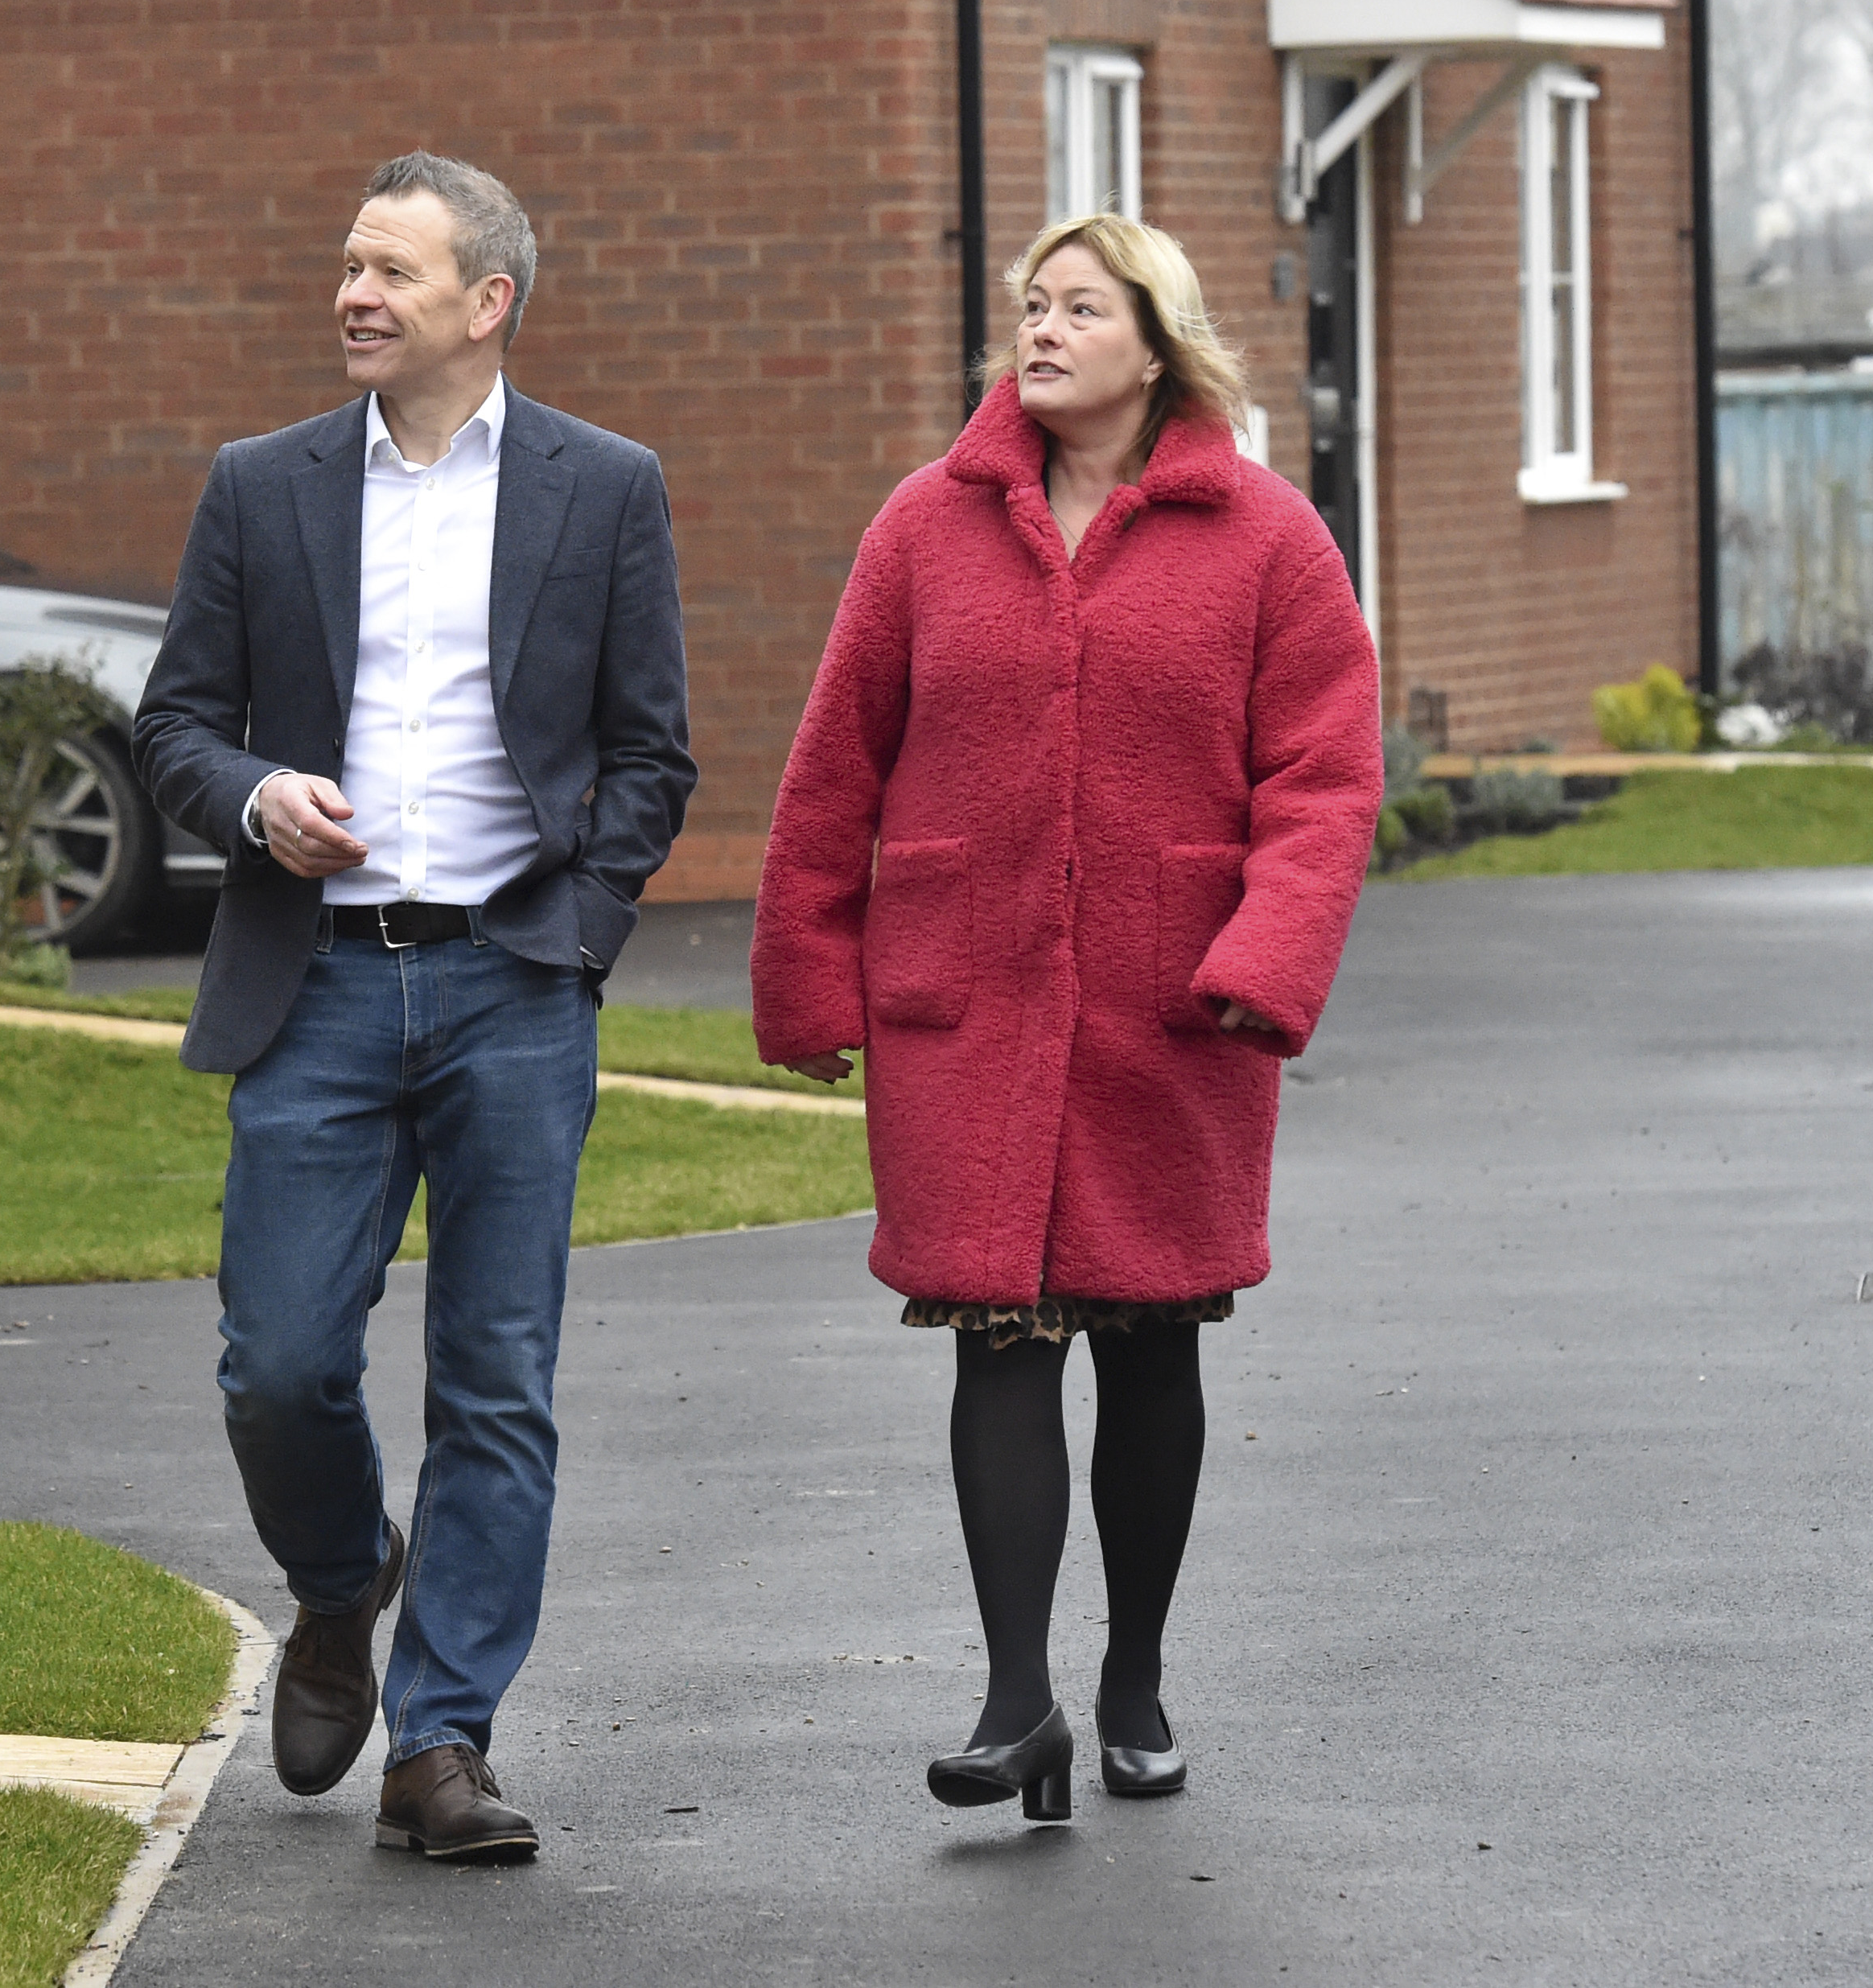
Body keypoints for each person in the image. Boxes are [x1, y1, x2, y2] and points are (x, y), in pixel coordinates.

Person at [749, 214, 1382, 1823]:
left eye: (1078, 308)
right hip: (963, 1012)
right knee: (999, 1337)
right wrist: (806, 973)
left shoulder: (1266, 537)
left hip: (1176, 1012)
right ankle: (1016, 1695)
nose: (1038, 330)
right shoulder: (923, 526)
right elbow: (836, 768)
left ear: (1154, 343)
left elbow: (1322, 778)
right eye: (1028, 306)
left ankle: (1134, 1680)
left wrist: (1266, 953)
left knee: (1149, 1341)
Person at [134, 150, 695, 1864]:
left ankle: (440, 1740)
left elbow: (649, 752)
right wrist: (253, 799)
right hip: (313, 986)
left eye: (391, 269)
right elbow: (174, 731)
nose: (353, 294)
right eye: (348, 265)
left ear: (487, 301)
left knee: (496, 1378)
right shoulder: (263, 485)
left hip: (510, 983)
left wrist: (576, 933)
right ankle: (332, 1583)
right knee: (279, 1363)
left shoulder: (606, 490)